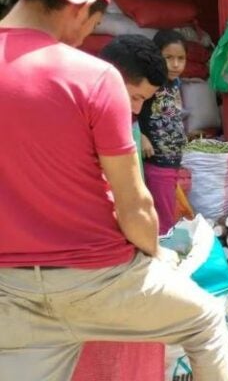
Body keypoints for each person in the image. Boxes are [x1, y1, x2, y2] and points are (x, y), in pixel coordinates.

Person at [0, 0, 228, 380]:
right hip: (99, 280)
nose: (88, 32)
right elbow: (135, 206)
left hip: (8, 291)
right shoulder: (93, 76)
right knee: (204, 322)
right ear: (79, 6)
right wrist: (157, 254)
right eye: (94, 20)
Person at [71, 35, 169, 381]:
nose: (138, 109)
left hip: (121, 253)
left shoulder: (125, 116)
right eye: (136, 97)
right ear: (108, 77)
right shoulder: (78, 120)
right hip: (92, 264)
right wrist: (155, 252)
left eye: (146, 100)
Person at [138, 29, 189, 235]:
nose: (175, 64)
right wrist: (140, 135)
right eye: (168, 58)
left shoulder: (174, 84)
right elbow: (131, 110)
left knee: (166, 210)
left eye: (181, 58)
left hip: (172, 160)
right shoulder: (150, 84)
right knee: (163, 217)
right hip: (157, 161)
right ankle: (164, 254)